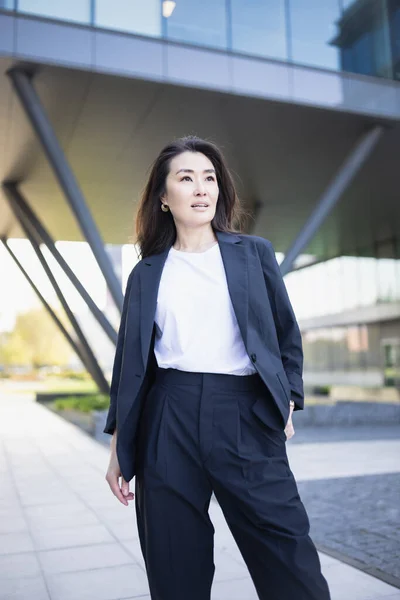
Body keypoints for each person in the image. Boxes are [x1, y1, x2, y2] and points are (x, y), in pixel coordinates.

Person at [104, 135, 331, 600]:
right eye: (186, 178)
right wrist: (118, 449)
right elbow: (130, 365)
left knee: (289, 560)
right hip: (169, 416)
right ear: (164, 198)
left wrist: (287, 397)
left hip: (246, 413)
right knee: (174, 567)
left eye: (209, 177)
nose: (201, 188)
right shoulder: (147, 273)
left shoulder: (254, 254)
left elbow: (286, 335)